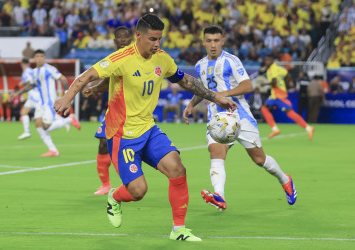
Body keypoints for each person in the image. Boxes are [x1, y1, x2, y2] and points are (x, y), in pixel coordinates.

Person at [54, 14, 236, 242]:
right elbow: (87, 75)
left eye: (159, 39)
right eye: (152, 39)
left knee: (178, 169)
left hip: (148, 129)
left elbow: (185, 80)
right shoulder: (122, 58)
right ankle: (114, 197)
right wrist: (67, 97)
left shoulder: (161, 58)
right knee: (138, 191)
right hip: (122, 135)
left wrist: (216, 97)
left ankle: (178, 229)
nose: (157, 44)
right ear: (138, 35)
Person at [183, 25, 297, 213]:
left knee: (259, 159)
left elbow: (248, 85)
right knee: (216, 154)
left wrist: (222, 94)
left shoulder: (231, 61)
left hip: (240, 116)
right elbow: (203, 89)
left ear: (223, 41)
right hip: (217, 118)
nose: (213, 45)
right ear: (203, 42)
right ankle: (219, 196)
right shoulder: (199, 65)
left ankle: (285, 179)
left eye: (216, 41)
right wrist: (191, 105)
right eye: (209, 41)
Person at [82, 26, 133, 195]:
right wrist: (94, 89)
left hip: (135, 111)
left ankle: (133, 183)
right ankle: (105, 184)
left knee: (133, 148)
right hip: (115, 112)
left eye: (126, 37)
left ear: (131, 39)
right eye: (120, 37)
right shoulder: (112, 59)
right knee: (103, 142)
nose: (123, 39)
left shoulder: (137, 57)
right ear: (114, 40)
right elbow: (108, 82)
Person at [13, 50, 81, 156]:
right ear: (34, 59)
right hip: (41, 103)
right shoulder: (35, 72)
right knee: (38, 125)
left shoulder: (49, 69)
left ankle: (68, 120)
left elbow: (63, 79)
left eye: (41, 56)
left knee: (46, 126)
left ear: (44, 58)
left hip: (50, 103)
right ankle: (53, 150)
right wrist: (19, 92)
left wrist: (67, 93)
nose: (39, 58)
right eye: (37, 56)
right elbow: (31, 85)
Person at [260, 54, 314, 140]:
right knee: (265, 108)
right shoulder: (278, 67)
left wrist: (265, 84)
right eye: (266, 60)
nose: (266, 62)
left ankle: (307, 128)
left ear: (272, 61)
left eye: (268, 60)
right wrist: (285, 84)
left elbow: (274, 81)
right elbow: (287, 74)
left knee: (289, 112)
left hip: (278, 95)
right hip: (278, 93)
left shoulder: (271, 70)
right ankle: (275, 129)